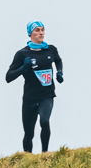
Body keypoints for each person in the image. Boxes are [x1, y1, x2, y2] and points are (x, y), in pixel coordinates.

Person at [4, 20, 66, 154]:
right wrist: (23, 68)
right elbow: (8, 77)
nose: (41, 32)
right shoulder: (22, 54)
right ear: (30, 33)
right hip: (30, 98)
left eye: (42, 29)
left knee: (44, 121)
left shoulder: (51, 49)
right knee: (28, 133)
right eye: (37, 30)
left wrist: (59, 72)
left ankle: (45, 153)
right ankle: (28, 158)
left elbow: (58, 60)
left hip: (47, 96)